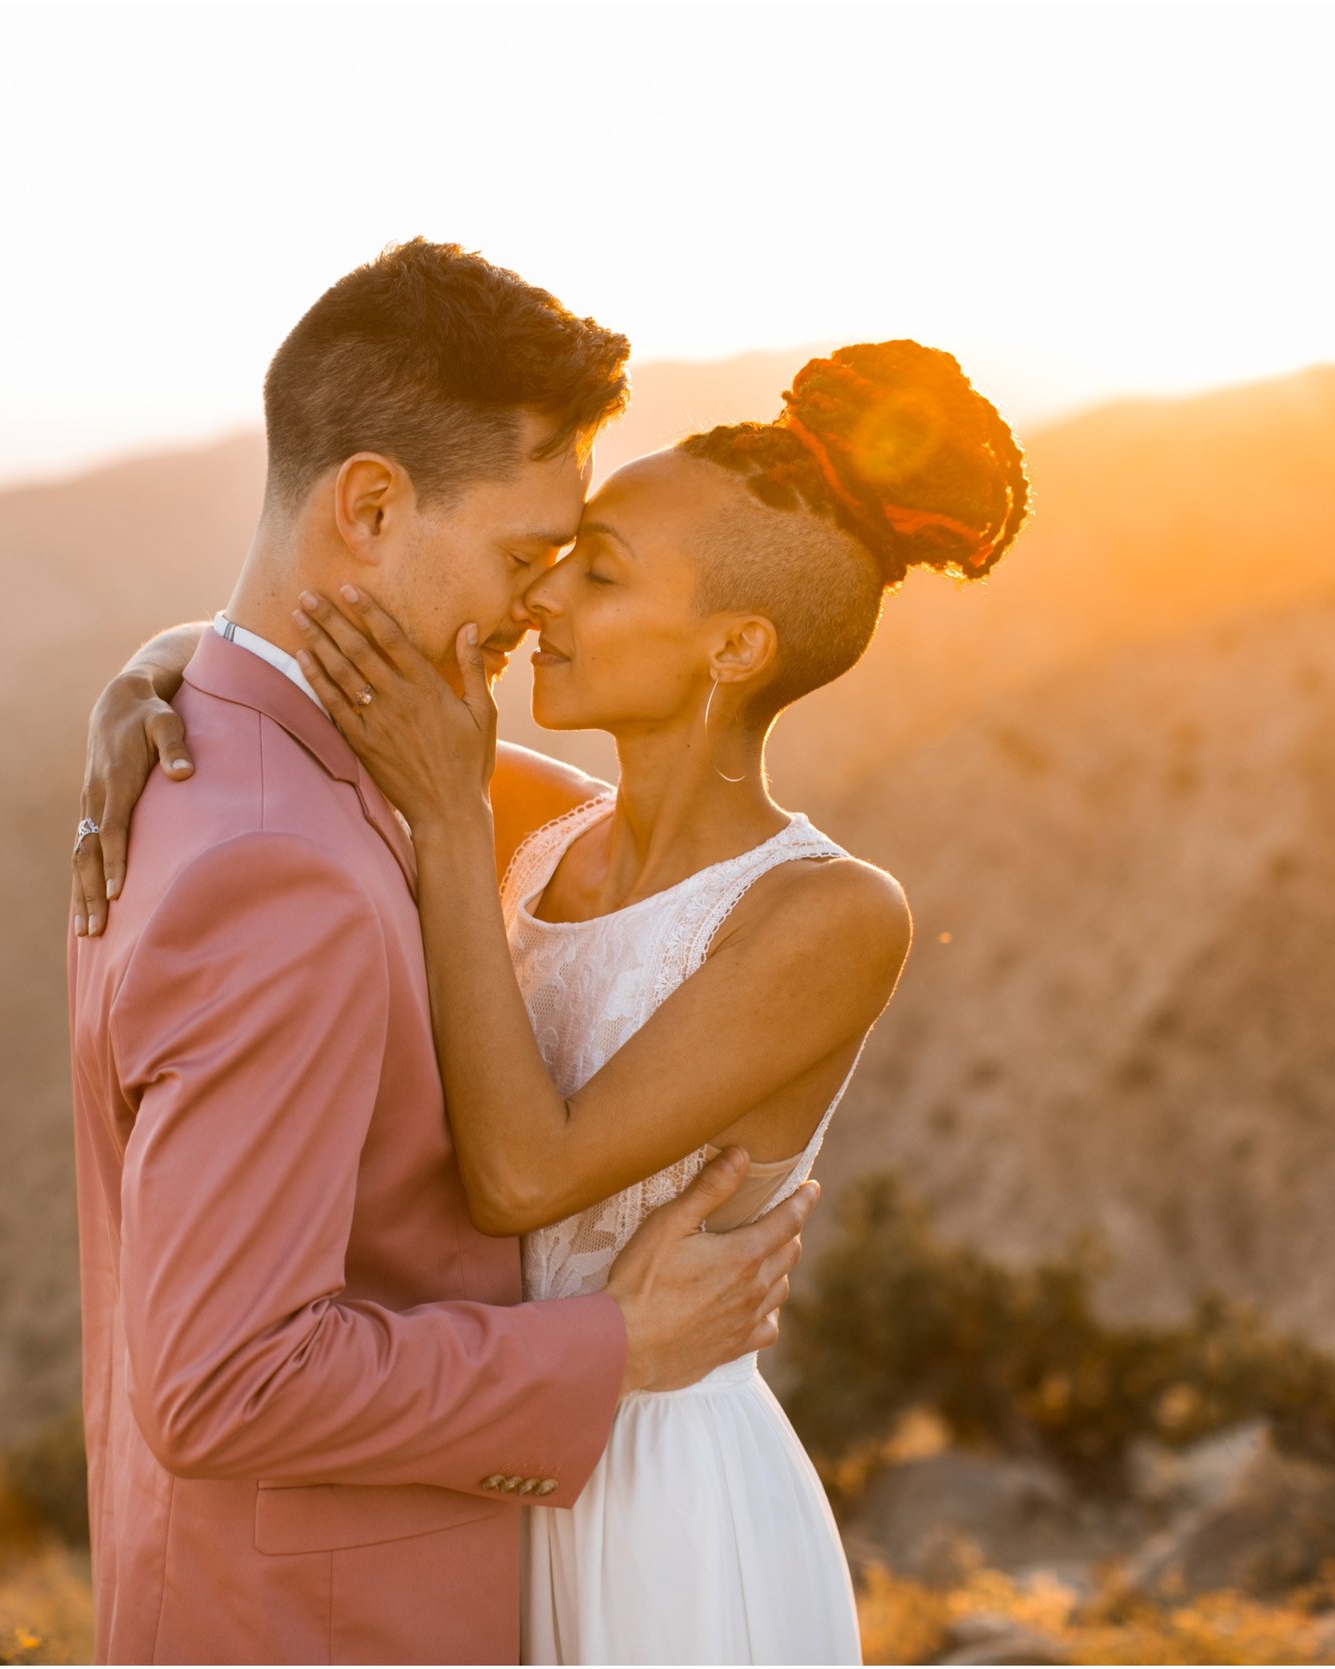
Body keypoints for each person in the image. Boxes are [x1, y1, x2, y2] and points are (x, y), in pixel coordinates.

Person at [79, 332, 1031, 1662]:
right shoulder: (534, 818)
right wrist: (150, 673)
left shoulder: (826, 913)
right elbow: (307, 666)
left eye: (600, 573)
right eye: (555, 556)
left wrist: (448, 826)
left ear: (735, 645)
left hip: (663, 1500)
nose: (542, 603)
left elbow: (524, 1177)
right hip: (496, 1462)